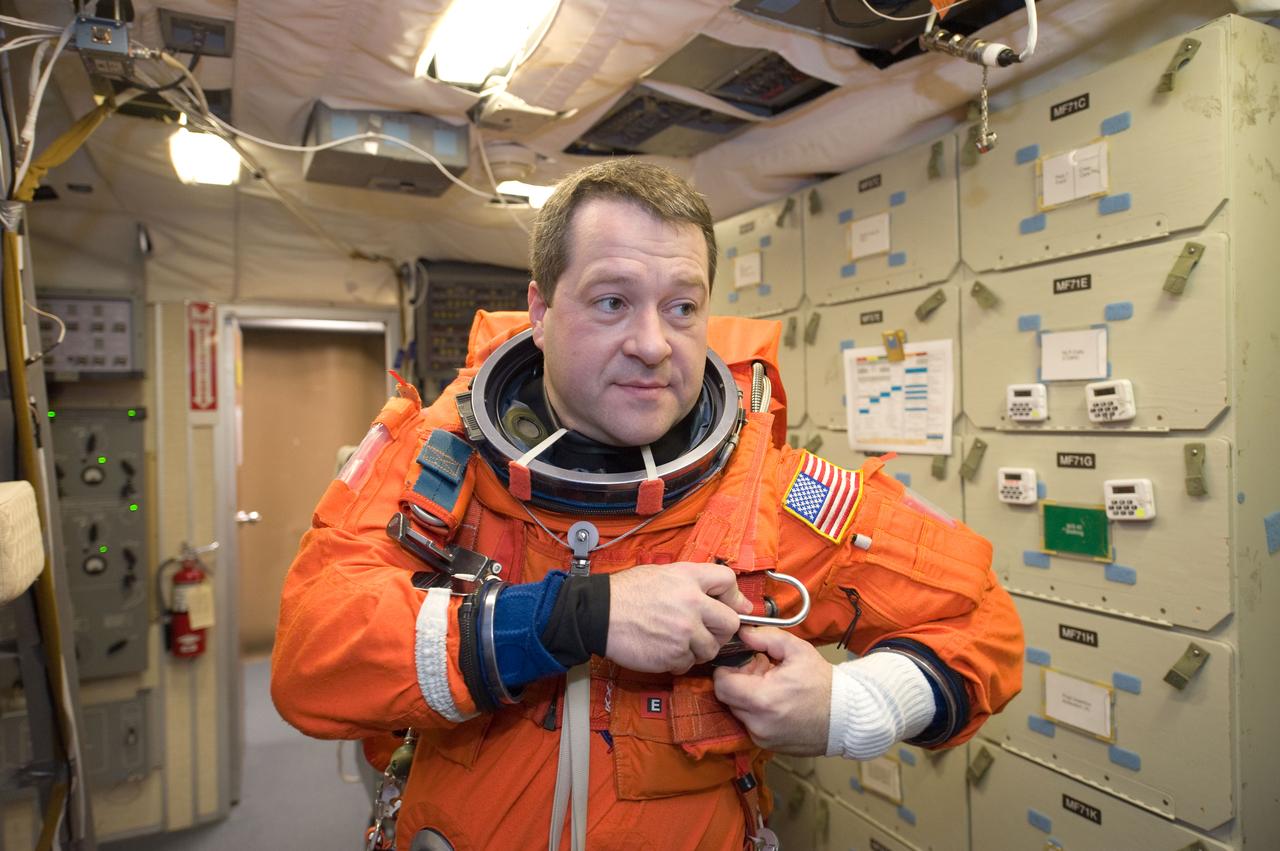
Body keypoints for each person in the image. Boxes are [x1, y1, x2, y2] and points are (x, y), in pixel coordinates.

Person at [271, 160, 1023, 851]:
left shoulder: (767, 494)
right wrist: (574, 615)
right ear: (540, 309)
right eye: (611, 301)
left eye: (682, 306)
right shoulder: (440, 464)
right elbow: (312, 656)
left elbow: (979, 618)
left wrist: (851, 705)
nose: (653, 343)